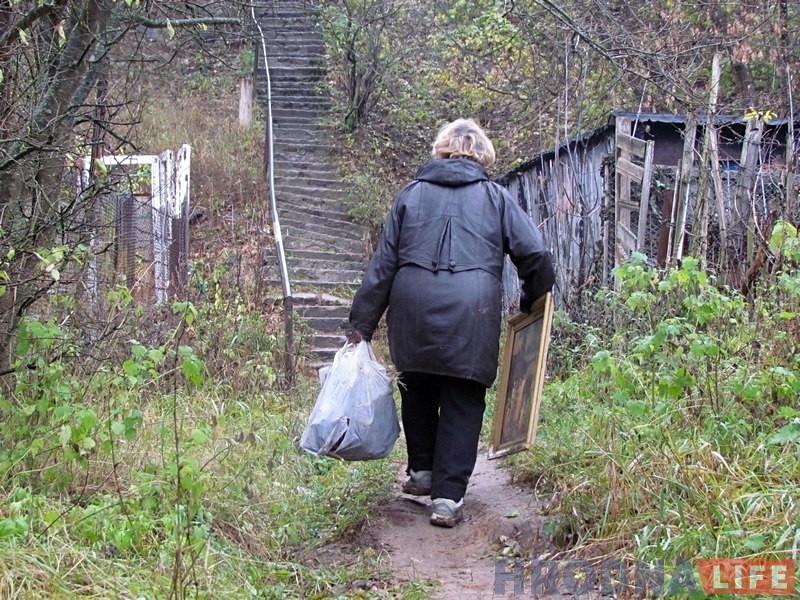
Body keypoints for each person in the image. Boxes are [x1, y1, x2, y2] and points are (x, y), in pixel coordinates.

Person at [346, 118, 555, 527]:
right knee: (463, 397)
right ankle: (446, 498)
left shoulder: (411, 195)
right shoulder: (496, 198)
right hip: (471, 314)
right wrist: (532, 301)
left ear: (440, 150)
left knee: (418, 385)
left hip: (413, 311)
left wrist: (361, 325)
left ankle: (422, 471)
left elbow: (383, 265)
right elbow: (536, 256)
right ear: (483, 155)